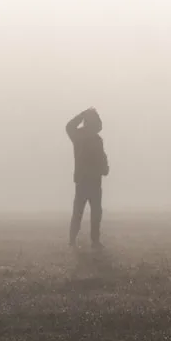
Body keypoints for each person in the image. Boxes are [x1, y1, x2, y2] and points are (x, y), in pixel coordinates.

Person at [64, 106, 109, 247]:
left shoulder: (81, 136)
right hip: (90, 181)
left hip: (88, 180)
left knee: (83, 212)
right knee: (91, 212)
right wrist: (105, 168)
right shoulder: (88, 138)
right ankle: (89, 240)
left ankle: (75, 240)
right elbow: (102, 158)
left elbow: (69, 126)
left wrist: (82, 115)